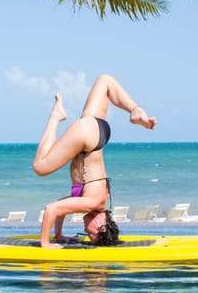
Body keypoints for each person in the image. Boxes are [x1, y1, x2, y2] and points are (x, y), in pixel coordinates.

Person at [33, 74, 156, 248]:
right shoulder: (91, 202)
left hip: (97, 134)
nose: (85, 229)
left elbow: (60, 207)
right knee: (40, 167)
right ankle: (56, 116)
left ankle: (135, 109)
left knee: (105, 81)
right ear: (102, 227)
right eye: (90, 234)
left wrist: (59, 234)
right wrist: (45, 243)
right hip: (87, 139)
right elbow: (51, 209)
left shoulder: (93, 202)